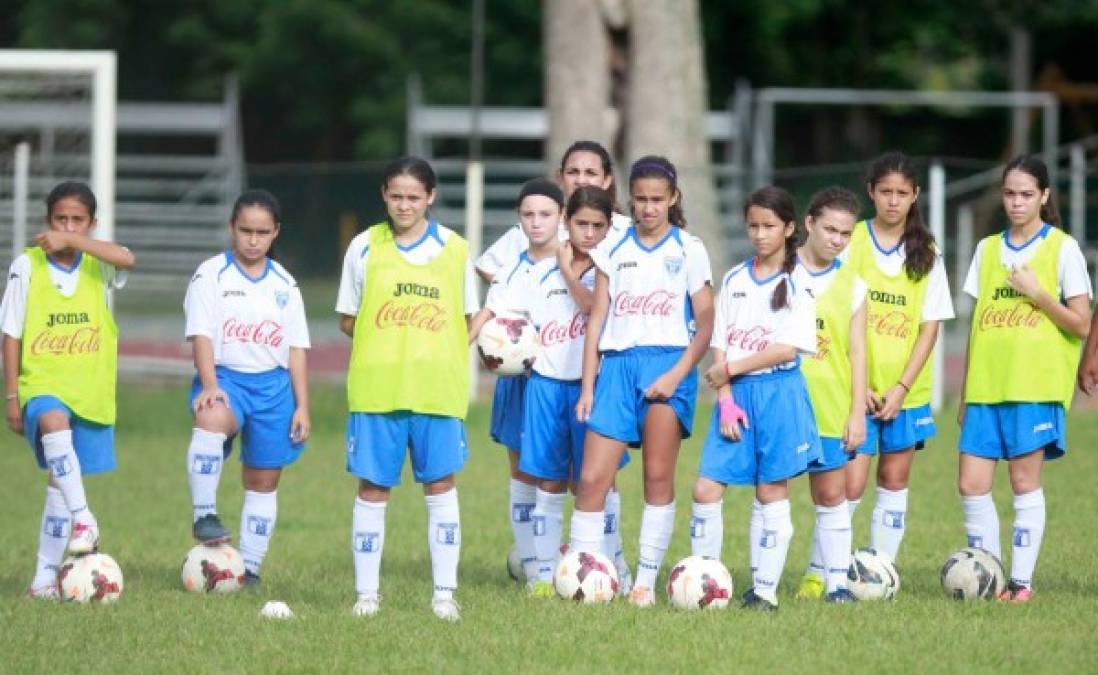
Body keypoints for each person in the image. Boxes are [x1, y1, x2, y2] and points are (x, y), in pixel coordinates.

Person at [568, 155, 714, 608]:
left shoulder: (689, 248)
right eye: (641, 200)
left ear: (673, 198)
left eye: (657, 199)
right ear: (629, 200)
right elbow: (597, 319)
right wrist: (589, 386)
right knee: (592, 478)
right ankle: (586, 574)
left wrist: (675, 376)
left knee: (656, 476)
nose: (649, 208)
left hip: (668, 363)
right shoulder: (613, 247)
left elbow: (706, 323)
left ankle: (645, 582)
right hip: (616, 368)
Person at [336, 157, 478, 622]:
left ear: (431, 198)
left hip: (438, 391)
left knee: (440, 486)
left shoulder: (456, 249)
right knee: (373, 488)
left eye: (414, 197)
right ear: (383, 194)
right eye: (396, 196)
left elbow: (466, 322)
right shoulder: (363, 246)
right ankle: (367, 596)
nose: (404, 205)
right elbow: (347, 318)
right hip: (378, 389)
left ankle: (444, 595)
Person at [958, 155, 1090, 603]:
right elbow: (978, 322)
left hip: (1034, 386)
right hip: (985, 387)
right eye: (1010, 194)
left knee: (1022, 483)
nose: (1016, 202)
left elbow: (1082, 324)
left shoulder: (1062, 247)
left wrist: (1038, 295)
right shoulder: (987, 249)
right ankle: (990, 577)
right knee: (971, 485)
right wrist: (964, 392)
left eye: (1026, 195)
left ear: (1045, 197)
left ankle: (1021, 582)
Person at [0, 181, 135, 598]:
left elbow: (129, 258)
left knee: (59, 484)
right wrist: (11, 396)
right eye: (61, 218)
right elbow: (10, 334)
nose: (68, 225)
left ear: (92, 224)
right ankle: (84, 519)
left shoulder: (98, 263)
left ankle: (43, 579)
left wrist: (77, 241)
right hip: (42, 384)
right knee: (54, 423)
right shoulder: (28, 265)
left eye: (78, 220)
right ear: (47, 221)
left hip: (89, 389)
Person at [689, 186, 821, 611]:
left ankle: (764, 591)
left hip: (779, 393)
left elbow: (787, 349)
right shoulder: (735, 278)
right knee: (706, 489)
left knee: (770, 491)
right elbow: (721, 342)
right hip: (737, 396)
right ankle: (703, 581)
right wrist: (725, 399)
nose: (760, 234)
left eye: (769, 226)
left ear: (789, 228)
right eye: (753, 226)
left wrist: (727, 371)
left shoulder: (799, 281)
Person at [182, 189, 311, 589]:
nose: (253, 240)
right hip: (227, 377)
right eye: (245, 230)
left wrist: (302, 405)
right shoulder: (210, 275)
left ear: (275, 233)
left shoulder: (286, 285)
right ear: (231, 228)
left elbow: (296, 350)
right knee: (211, 416)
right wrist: (210, 384)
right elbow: (201, 334)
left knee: (264, 480)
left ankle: (250, 568)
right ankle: (204, 514)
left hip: (274, 389)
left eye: (262, 231)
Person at [501, 186, 622, 596]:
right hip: (547, 388)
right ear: (567, 221)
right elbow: (511, 329)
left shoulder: (612, 270)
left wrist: (568, 270)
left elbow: (592, 309)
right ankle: (541, 575)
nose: (588, 233)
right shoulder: (535, 273)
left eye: (597, 226)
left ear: (609, 228)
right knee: (548, 483)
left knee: (594, 482)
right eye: (581, 223)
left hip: (595, 387)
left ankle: (608, 562)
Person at [842, 151, 954, 564]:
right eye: (885, 191)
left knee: (893, 477)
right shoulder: (849, 240)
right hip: (856, 387)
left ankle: (880, 568)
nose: (892, 200)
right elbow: (833, 312)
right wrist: (864, 384)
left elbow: (930, 325)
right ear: (871, 192)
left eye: (901, 193)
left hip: (904, 390)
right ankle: (829, 570)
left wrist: (902, 387)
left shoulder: (926, 250)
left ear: (915, 196)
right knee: (849, 484)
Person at [469, 177, 564, 584]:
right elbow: (490, 316)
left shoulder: (577, 266)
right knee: (522, 472)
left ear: (561, 217)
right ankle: (534, 570)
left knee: (561, 475)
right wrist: (464, 345)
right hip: (516, 382)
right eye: (528, 215)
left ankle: (577, 560)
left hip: (560, 381)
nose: (536, 222)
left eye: (545, 214)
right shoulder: (509, 270)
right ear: (518, 220)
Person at [787, 187, 867, 603]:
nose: (837, 240)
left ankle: (832, 582)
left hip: (831, 403)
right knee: (771, 493)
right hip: (782, 401)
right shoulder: (780, 271)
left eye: (846, 234)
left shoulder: (853, 285)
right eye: (830, 229)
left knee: (831, 495)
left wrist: (857, 413)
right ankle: (762, 584)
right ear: (809, 223)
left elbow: (857, 351)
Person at [475, 140, 628, 284]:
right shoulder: (537, 224)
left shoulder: (626, 230)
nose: (581, 180)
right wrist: (520, 298)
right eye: (573, 172)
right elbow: (486, 265)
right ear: (560, 178)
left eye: (590, 173)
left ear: (607, 180)